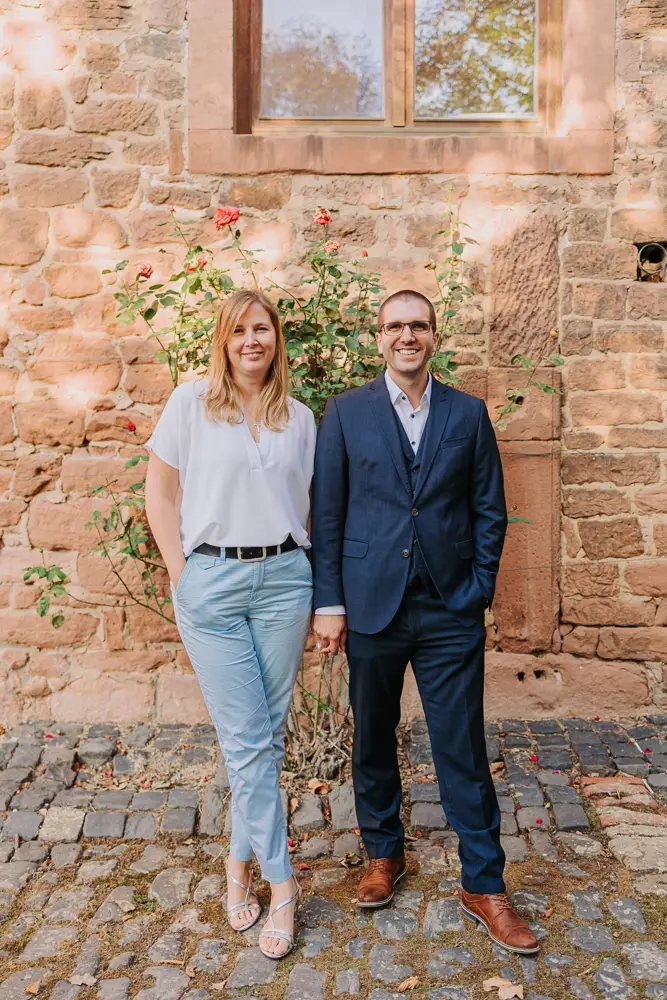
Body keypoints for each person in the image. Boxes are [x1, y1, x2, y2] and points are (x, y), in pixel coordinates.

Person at [311, 289, 539, 955]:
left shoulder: (466, 413)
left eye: (416, 325)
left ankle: (484, 884)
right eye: (393, 326)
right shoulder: (346, 412)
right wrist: (330, 603)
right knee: (374, 740)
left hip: (448, 609)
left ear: (433, 336)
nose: (405, 336)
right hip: (371, 603)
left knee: (461, 747)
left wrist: (475, 591)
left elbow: (488, 509)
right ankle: (384, 855)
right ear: (376, 338)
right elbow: (327, 514)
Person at [145, 290, 315, 960]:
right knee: (248, 743)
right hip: (210, 581)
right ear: (223, 339)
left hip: (283, 582)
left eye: (263, 329)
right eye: (239, 330)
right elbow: (159, 493)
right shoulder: (189, 404)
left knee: (262, 742)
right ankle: (282, 886)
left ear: (277, 339)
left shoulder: (299, 419)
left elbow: (315, 508)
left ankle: (236, 868)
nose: (252, 340)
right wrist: (180, 572)